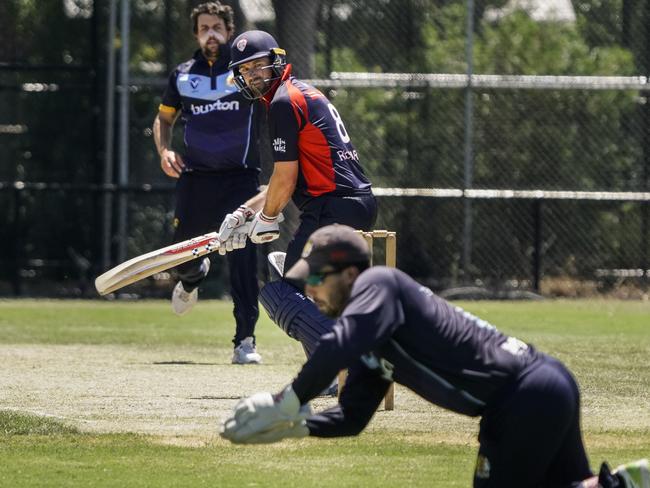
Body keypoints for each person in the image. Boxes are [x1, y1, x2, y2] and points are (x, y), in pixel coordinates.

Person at [220, 224, 650, 488]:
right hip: (540, 389)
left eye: (315, 277)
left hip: (523, 398)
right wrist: (292, 430)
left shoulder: (379, 285)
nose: (309, 289)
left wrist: (286, 402)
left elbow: (337, 344)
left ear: (350, 273)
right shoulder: (371, 336)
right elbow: (352, 418)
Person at [216, 31, 377, 360]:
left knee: (282, 292)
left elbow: (286, 178)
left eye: (259, 65)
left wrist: (268, 219)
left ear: (277, 61)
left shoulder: (282, 103)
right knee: (294, 280)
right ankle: (334, 372)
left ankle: (343, 361)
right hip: (352, 205)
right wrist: (244, 214)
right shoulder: (298, 93)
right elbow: (283, 177)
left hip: (332, 211)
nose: (253, 75)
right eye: (245, 70)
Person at [152, 2, 263, 364]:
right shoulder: (182, 74)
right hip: (196, 178)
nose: (210, 33)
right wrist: (165, 150)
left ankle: (244, 341)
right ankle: (192, 277)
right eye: (203, 27)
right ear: (195, 32)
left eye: (217, 27)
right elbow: (163, 119)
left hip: (241, 179)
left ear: (230, 31)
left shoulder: (246, 71)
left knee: (244, 256)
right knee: (181, 257)